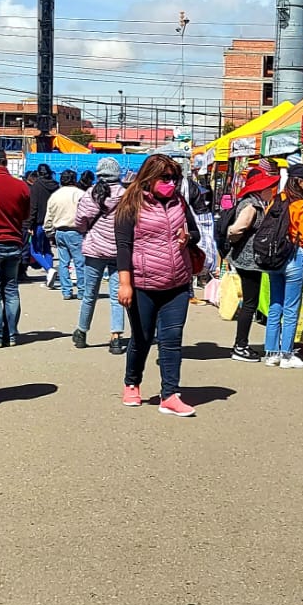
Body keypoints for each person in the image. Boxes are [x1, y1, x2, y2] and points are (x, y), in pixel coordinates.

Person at [115, 153, 201, 417]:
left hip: (176, 283)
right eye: (165, 178)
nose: (170, 183)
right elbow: (123, 247)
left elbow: (196, 233)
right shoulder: (130, 205)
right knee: (141, 339)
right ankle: (132, 383)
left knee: (172, 340)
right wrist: (124, 283)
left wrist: (188, 237)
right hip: (142, 284)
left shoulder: (179, 203)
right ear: (149, 177)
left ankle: (170, 395)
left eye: (174, 178)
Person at [262, 162, 303, 368]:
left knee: (275, 305)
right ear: (300, 181)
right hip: (294, 256)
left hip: (273, 258)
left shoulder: (277, 199)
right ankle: (286, 355)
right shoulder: (301, 204)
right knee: (291, 307)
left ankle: (271, 353)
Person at [224, 162, 281, 361]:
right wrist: (236, 240)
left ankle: (241, 344)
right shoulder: (251, 206)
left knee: (250, 302)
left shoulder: (252, 203)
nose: (271, 191)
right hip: (248, 261)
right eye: (269, 187)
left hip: (246, 260)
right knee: (250, 303)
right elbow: (235, 229)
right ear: (261, 188)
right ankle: (240, 346)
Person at [74, 156, 126, 353]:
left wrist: (86, 231)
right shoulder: (126, 195)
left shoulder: (90, 194)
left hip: (95, 249)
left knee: (89, 294)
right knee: (116, 296)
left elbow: (80, 220)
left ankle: (82, 331)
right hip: (118, 250)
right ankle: (116, 338)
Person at [0, 158, 32, 347]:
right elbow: (25, 215)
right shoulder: (21, 186)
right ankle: (11, 334)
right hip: (13, 243)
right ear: (5, 162)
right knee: (11, 290)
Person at [44, 169, 85, 300]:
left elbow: (49, 216)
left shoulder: (55, 195)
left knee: (63, 263)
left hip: (60, 232)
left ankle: (66, 291)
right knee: (80, 263)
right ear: (74, 179)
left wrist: (49, 231)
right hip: (77, 231)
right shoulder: (81, 194)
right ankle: (82, 291)